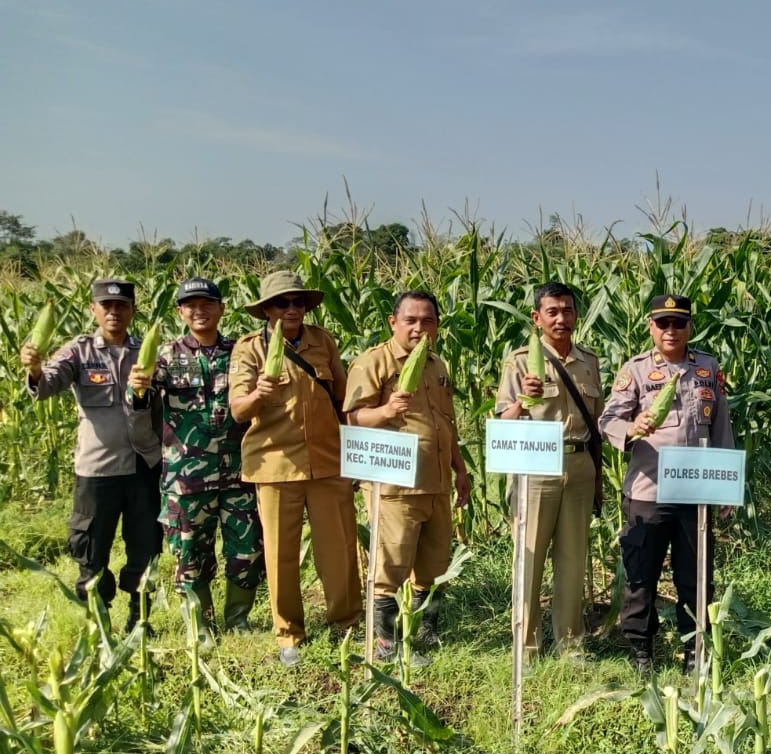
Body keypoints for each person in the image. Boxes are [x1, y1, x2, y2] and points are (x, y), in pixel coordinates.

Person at [229, 271, 361, 667]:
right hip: (275, 464)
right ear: (266, 310)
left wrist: (356, 455)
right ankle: (289, 634)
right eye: (282, 303)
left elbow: (343, 400)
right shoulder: (249, 349)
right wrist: (258, 394)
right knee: (280, 554)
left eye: (298, 302)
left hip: (328, 462)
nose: (291, 309)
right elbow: (238, 410)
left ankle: (346, 624)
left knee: (339, 549)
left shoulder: (323, 341)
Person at [598, 294, 733, 673]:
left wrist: (726, 485)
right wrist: (631, 428)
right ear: (650, 326)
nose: (671, 330)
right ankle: (641, 649)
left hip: (696, 490)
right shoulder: (636, 370)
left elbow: (721, 425)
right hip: (649, 490)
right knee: (642, 575)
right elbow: (608, 420)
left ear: (690, 326)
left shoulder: (707, 367)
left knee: (696, 577)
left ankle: (695, 649)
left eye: (678, 322)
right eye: (663, 323)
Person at [22, 278, 162, 629]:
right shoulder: (78, 351)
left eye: (121, 306)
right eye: (106, 306)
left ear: (133, 310)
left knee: (146, 547)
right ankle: (99, 623)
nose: (114, 312)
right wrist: (34, 368)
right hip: (97, 469)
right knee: (90, 550)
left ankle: (140, 619)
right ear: (93, 310)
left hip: (143, 466)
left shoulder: (149, 351)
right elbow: (46, 384)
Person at [127, 277, 263, 634]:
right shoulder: (166, 355)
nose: (199, 311)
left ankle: (238, 620)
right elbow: (139, 399)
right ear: (180, 312)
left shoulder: (241, 353)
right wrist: (138, 388)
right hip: (186, 477)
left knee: (247, 551)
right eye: (191, 305)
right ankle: (200, 627)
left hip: (239, 473)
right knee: (190, 555)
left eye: (207, 304)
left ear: (221, 309)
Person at [345, 290, 471, 664]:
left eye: (427, 321)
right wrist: (386, 410)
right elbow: (352, 417)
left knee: (434, 564)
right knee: (391, 565)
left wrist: (460, 470)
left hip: (436, 482)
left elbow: (446, 424)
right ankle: (386, 644)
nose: (419, 328)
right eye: (410, 320)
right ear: (393, 322)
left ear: (437, 325)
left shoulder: (438, 365)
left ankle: (424, 630)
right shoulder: (373, 362)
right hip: (395, 486)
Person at [494, 281, 604, 657]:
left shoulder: (589, 361)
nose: (561, 319)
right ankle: (525, 646)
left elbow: (596, 427)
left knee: (573, 561)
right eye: (552, 312)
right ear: (536, 317)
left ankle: (569, 645)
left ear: (576, 315)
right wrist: (523, 400)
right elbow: (503, 422)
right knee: (529, 558)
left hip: (579, 464)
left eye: (567, 310)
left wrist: (598, 480)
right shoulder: (520, 361)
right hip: (535, 467)